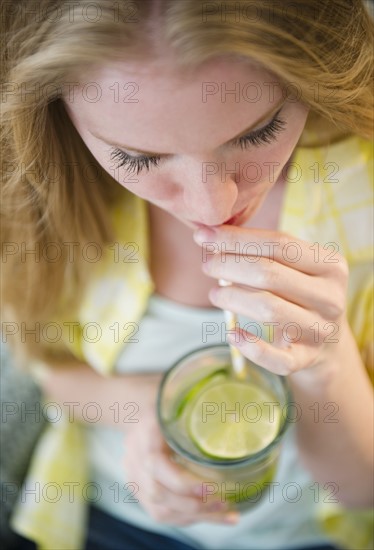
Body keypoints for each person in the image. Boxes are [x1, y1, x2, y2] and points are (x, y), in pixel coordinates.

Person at [1, 1, 373, 549]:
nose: (212, 204)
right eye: (141, 159)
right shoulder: (38, 199)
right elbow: (50, 369)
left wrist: (326, 362)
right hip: (102, 518)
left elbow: (362, 491)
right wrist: (147, 411)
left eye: (257, 132)